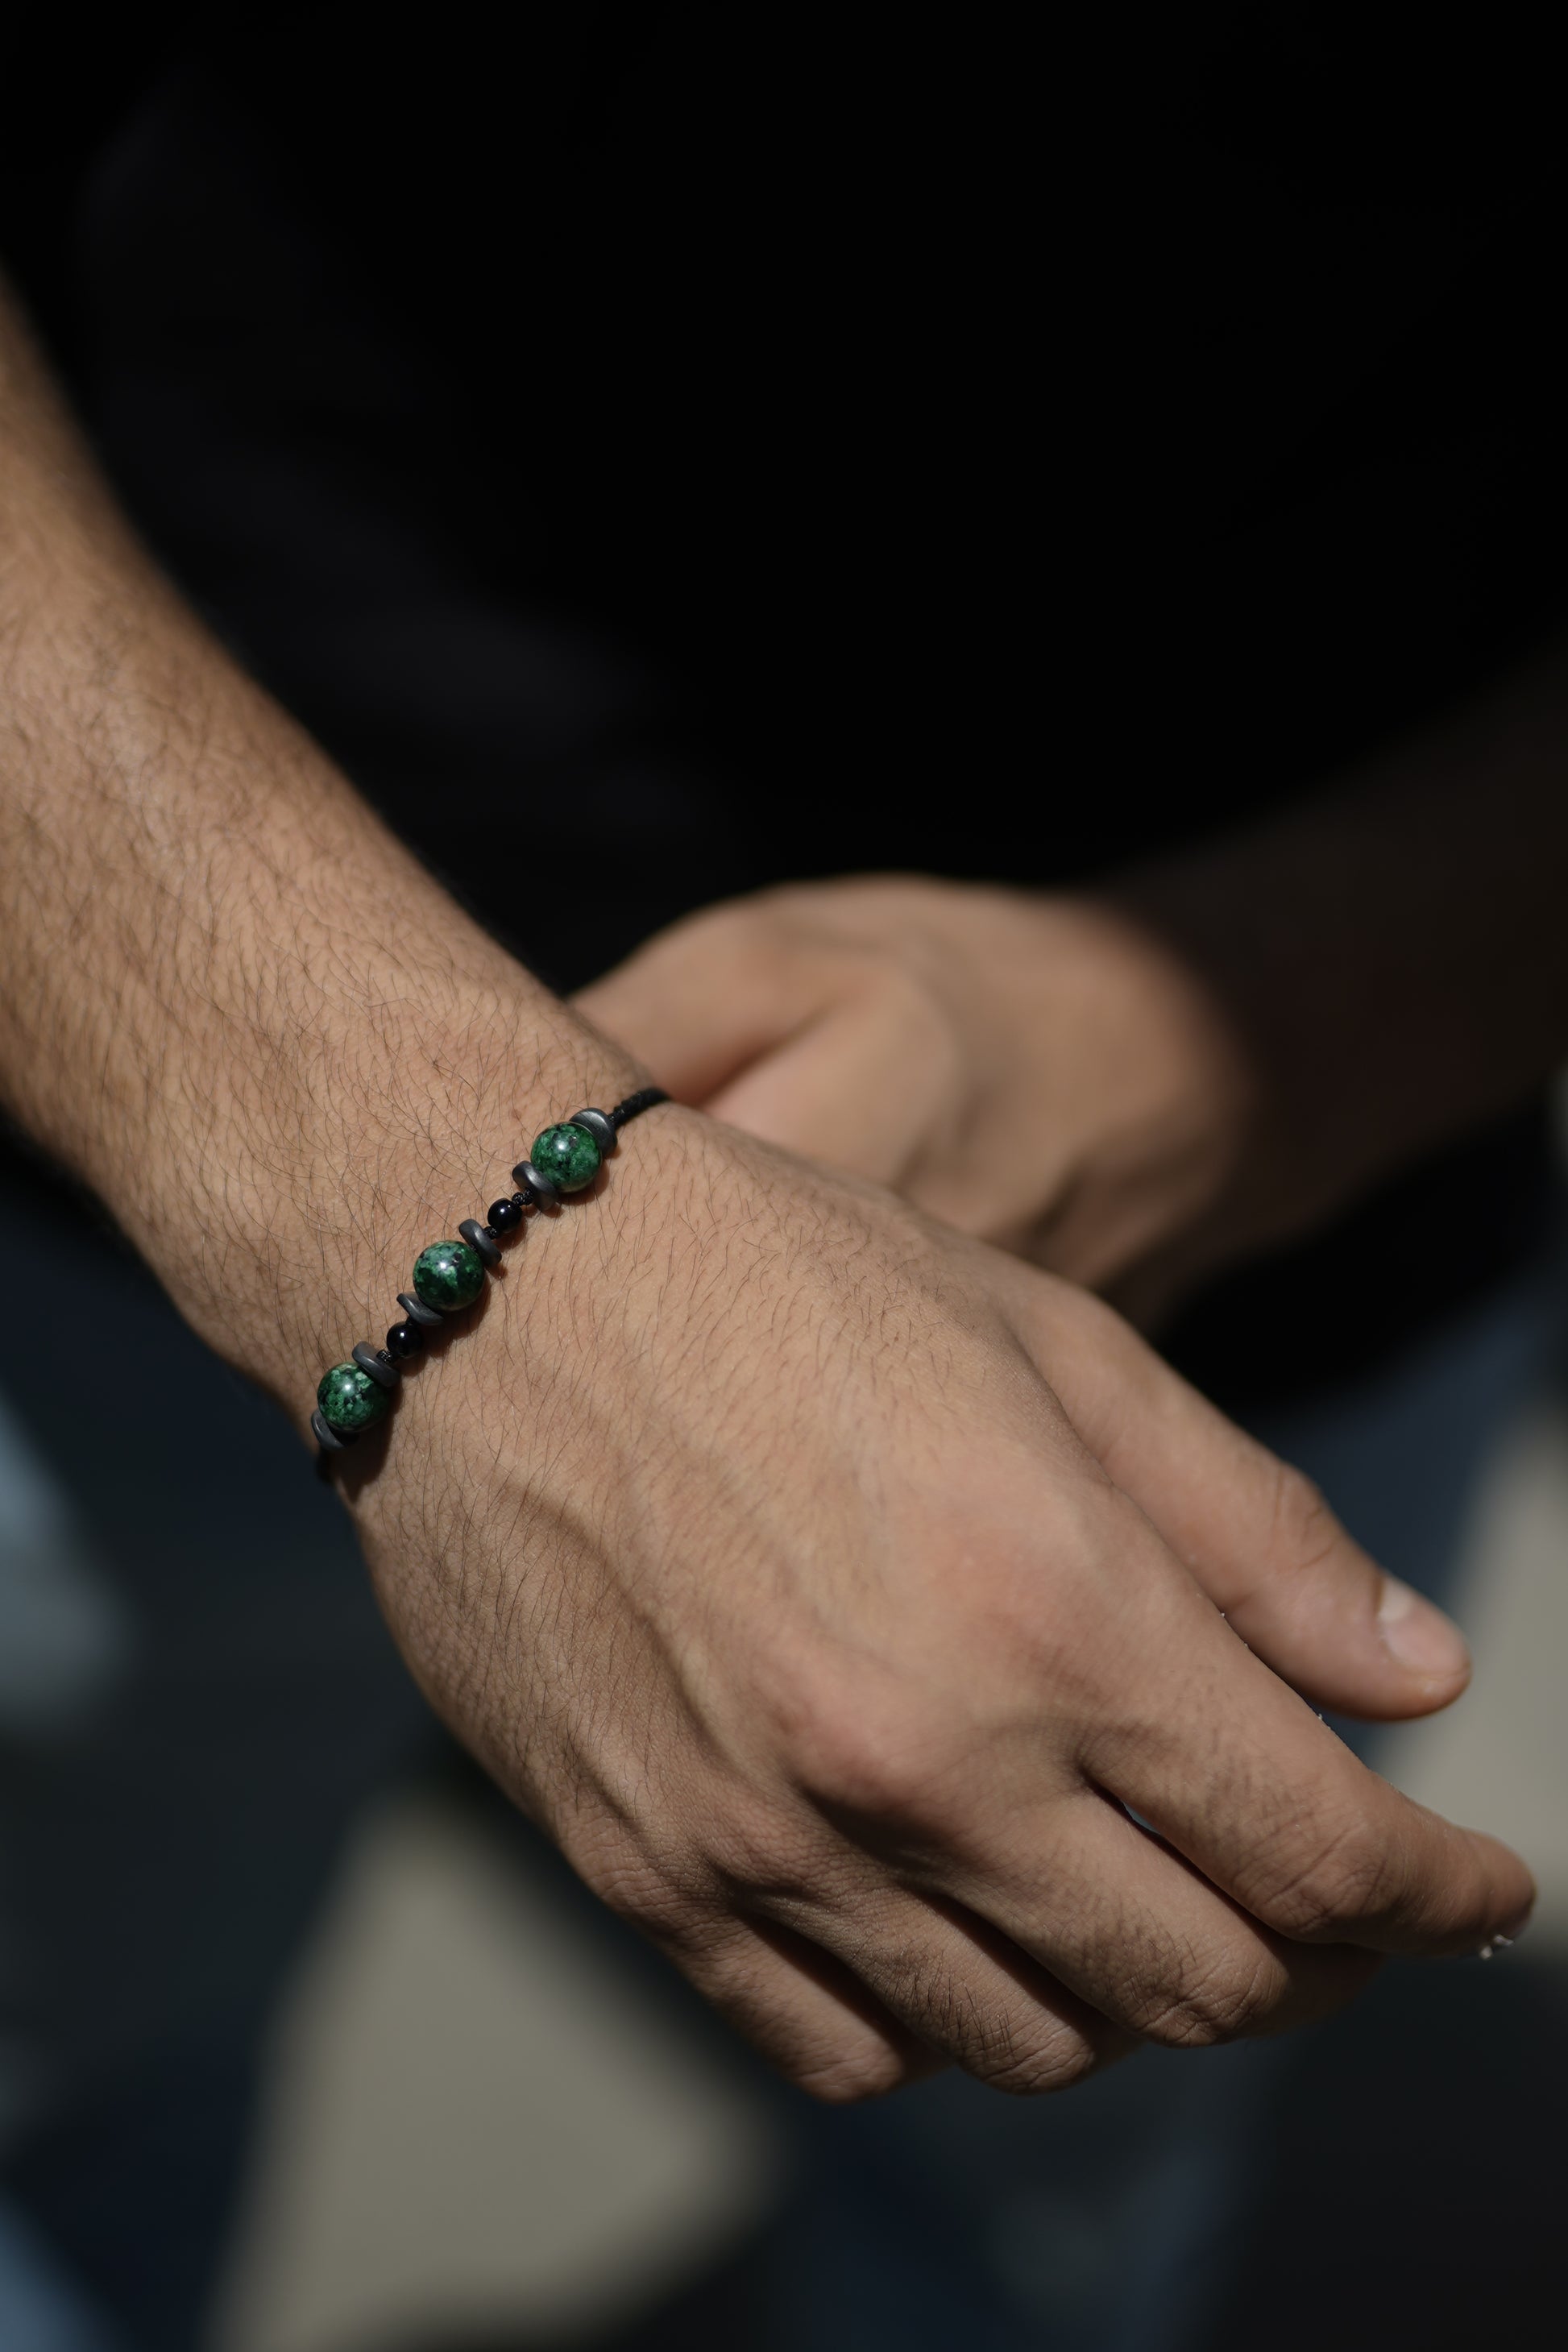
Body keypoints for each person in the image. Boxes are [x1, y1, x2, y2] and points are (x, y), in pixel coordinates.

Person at [0, 12, 1564, 2346]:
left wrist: (1248, 1036)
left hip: (1251, 1290)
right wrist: (413, 1200)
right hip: (113, 1132)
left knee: (1040, 2186)